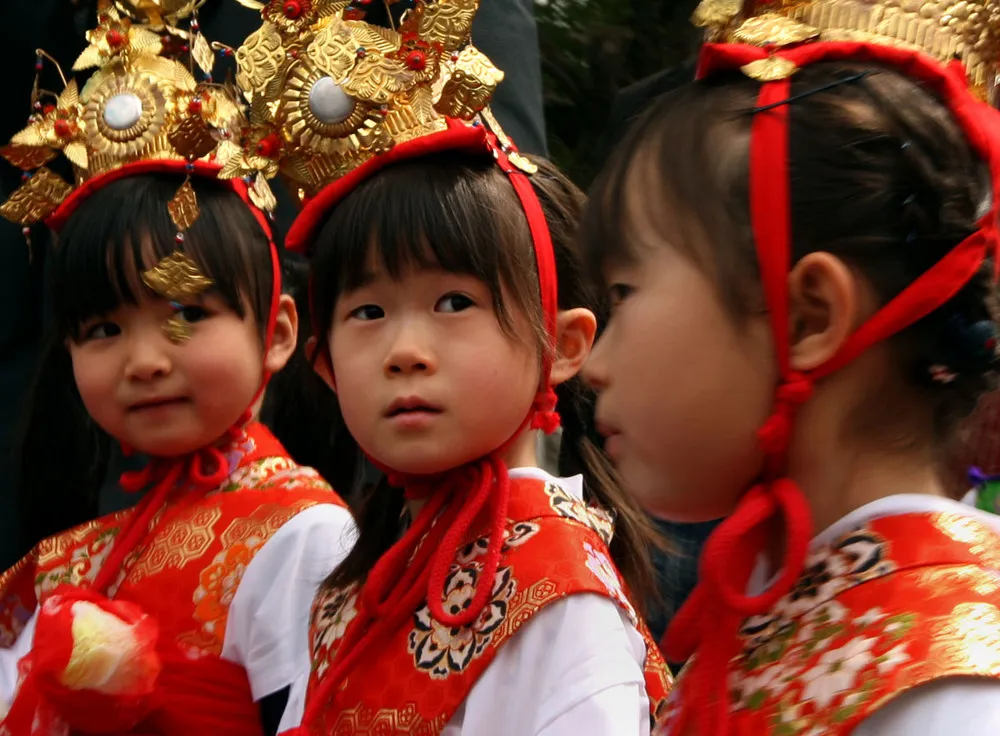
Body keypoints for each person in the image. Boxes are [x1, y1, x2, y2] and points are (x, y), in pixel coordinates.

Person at [229, 1, 672, 732]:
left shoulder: (561, 589)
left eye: (454, 302)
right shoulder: (357, 584)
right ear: (327, 366)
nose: (405, 350)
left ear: (561, 346)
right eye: (367, 313)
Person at [581, 0, 1000, 734]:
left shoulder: (955, 689)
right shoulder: (783, 617)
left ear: (807, 316)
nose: (594, 364)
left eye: (623, 294)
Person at [0, 7, 353, 734]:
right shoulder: (69, 557)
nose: (145, 359)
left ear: (278, 331)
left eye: (186, 314)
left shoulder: (303, 535)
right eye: (102, 329)